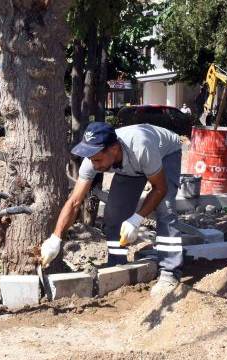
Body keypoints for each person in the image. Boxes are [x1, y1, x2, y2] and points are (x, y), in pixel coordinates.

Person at [40, 122, 183, 297]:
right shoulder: (92, 160)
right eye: (92, 160)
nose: (94, 165)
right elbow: (75, 201)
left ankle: (170, 272)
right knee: (114, 214)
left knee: (165, 209)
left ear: (114, 149)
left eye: (98, 160)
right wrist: (56, 238)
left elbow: (160, 188)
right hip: (130, 165)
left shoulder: (142, 148)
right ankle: (117, 264)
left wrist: (137, 219)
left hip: (165, 153)